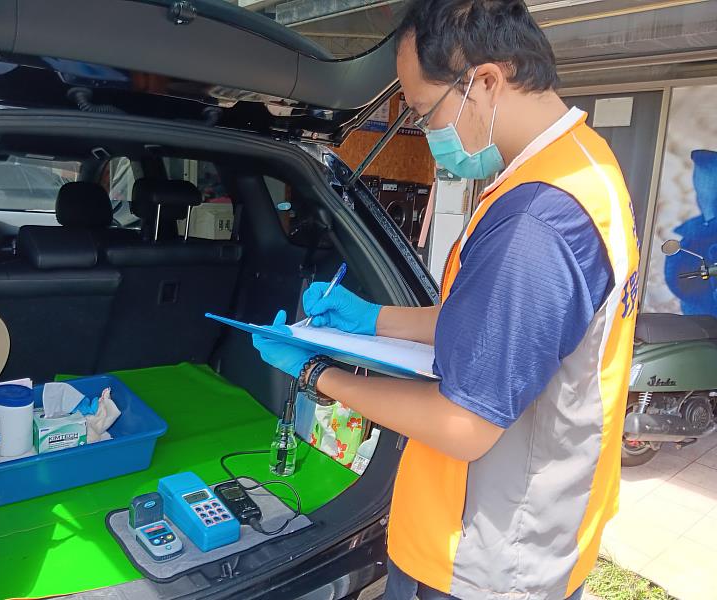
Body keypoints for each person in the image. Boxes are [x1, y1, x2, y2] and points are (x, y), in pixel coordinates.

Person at [252, 1, 639, 598]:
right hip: (539, 529)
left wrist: (314, 371)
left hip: (482, 558)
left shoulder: (536, 221)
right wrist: (372, 318)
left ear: (484, 81)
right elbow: (495, 323)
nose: (423, 129)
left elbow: (463, 424)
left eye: (422, 110)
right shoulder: (585, 167)